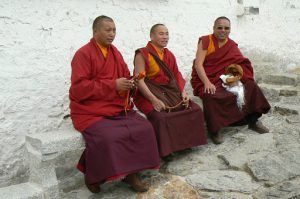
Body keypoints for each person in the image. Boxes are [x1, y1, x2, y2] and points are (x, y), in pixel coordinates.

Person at [69, 15, 160, 193]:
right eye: (107, 30)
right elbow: (78, 89)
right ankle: (95, 175)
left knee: (144, 128)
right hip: (91, 110)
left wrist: (130, 83)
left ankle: (132, 172)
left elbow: (124, 74)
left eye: (114, 30)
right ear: (95, 31)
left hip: (115, 106)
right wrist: (113, 85)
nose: (112, 34)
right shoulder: (83, 54)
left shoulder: (114, 52)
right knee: (108, 137)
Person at [191, 16, 271, 144]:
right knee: (210, 95)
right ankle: (215, 130)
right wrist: (207, 82)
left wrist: (236, 78)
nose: (223, 30)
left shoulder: (231, 44)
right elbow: (198, 64)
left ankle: (252, 120)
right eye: (220, 28)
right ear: (214, 28)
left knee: (251, 86)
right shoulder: (206, 41)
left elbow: (241, 64)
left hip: (226, 78)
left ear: (230, 29)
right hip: (208, 77)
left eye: (226, 28)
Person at [133, 24, 207, 160]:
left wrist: (183, 92)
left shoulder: (168, 54)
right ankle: (166, 151)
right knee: (160, 117)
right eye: (161, 34)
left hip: (170, 91)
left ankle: (184, 144)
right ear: (152, 36)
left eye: (167, 34)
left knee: (193, 109)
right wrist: (153, 100)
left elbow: (176, 75)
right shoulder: (142, 54)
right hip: (148, 94)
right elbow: (139, 81)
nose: (165, 37)